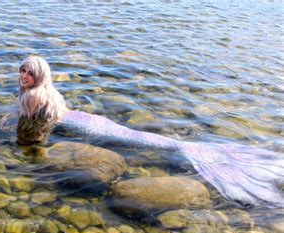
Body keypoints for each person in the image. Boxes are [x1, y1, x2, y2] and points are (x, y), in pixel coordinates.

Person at [15, 55, 284, 207]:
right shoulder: (48, 91)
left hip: (83, 125)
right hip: (89, 119)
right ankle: (198, 150)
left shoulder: (32, 96)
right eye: (22, 70)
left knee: (147, 141)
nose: (23, 75)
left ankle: (197, 154)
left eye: (29, 72)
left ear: (40, 75)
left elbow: (32, 126)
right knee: (142, 138)